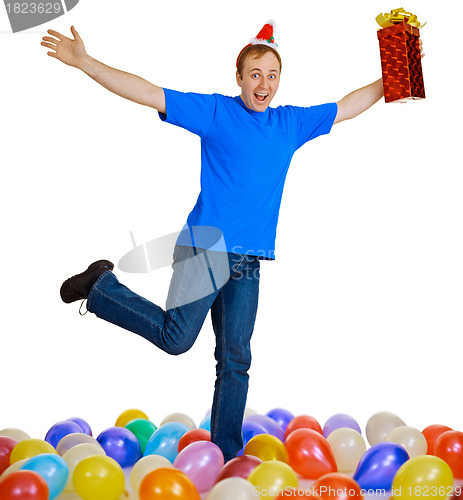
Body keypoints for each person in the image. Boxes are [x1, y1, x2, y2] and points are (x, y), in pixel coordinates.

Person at [41, 21, 422, 461]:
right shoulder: (217, 113)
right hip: (205, 250)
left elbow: (348, 106)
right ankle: (100, 287)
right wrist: (85, 63)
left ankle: (224, 451)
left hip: (249, 261)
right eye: (255, 74)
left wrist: (398, 73)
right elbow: (146, 92)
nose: (264, 84)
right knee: (176, 338)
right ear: (239, 77)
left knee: (236, 359)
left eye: (272, 75)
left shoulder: (290, 123)